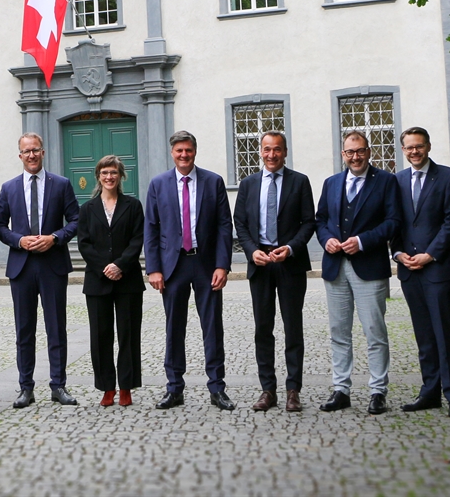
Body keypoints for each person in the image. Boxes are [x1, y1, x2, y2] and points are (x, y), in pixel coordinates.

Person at [144, 130, 235, 411]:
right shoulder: (158, 184)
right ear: (172, 153)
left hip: (206, 264)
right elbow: (152, 228)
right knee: (174, 328)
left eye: (189, 150)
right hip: (174, 266)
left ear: (195, 151)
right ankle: (174, 388)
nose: (184, 155)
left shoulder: (213, 182)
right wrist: (154, 268)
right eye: (179, 151)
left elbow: (223, 225)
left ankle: (217, 388)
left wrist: (223, 264)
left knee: (212, 327)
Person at [315, 130, 400, 415]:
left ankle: (378, 391)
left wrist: (363, 241)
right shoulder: (332, 183)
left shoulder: (386, 181)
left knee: (374, 332)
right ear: (343, 154)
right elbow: (321, 219)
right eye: (350, 152)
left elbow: (393, 222)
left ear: (369, 151)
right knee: (339, 332)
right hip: (335, 267)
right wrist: (326, 239)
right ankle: (341, 389)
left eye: (360, 151)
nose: (355, 157)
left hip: (370, 268)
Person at [233, 132, 316, 413]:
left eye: (277, 150)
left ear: (285, 152)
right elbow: (240, 223)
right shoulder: (248, 184)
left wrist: (291, 248)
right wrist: (250, 250)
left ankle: (293, 389)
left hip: (289, 263)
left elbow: (309, 222)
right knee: (263, 329)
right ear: (260, 151)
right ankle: (268, 389)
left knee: (293, 328)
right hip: (261, 264)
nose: (272, 155)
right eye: (267, 149)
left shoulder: (300, 181)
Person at [0, 133, 81, 409]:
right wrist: (19, 240)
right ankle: (26, 388)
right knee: (25, 330)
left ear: (43, 152)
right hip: (22, 265)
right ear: (19, 155)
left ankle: (58, 385)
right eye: (26, 151)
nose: (31, 155)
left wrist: (55, 238)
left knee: (56, 328)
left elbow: (76, 221)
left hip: (52, 264)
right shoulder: (8, 188)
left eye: (35, 150)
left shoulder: (61, 184)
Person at [392, 127, 450, 418]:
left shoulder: (448, 176)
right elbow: (393, 221)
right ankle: (430, 392)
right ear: (403, 150)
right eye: (409, 147)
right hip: (409, 269)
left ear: (428, 146)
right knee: (424, 335)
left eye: (419, 146)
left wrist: (430, 254)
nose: (414, 152)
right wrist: (397, 253)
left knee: (445, 333)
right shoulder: (397, 180)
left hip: (439, 267)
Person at [76, 155, 144, 408]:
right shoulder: (87, 209)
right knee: (100, 335)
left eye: (114, 172)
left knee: (128, 334)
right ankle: (107, 387)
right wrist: (104, 268)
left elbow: (138, 239)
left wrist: (120, 265)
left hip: (128, 280)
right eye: (104, 172)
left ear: (121, 176)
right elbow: (84, 243)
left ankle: (126, 386)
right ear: (98, 176)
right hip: (97, 280)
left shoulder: (133, 205)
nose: (109, 177)